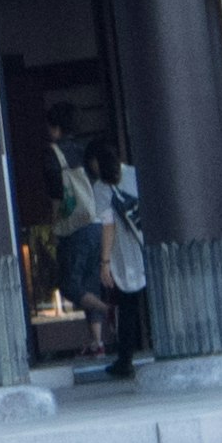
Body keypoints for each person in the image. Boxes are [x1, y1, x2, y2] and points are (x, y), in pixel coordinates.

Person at [85, 133, 148, 381]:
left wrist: (105, 263)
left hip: (126, 255)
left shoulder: (102, 187)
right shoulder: (135, 174)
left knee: (128, 308)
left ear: (96, 162)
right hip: (148, 247)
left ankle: (125, 360)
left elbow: (108, 226)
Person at [47, 113, 106, 342]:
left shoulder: (53, 154)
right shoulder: (85, 151)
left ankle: (106, 309)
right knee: (91, 282)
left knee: (69, 285)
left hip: (73, 227)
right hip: (96, 222)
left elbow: (55, 195)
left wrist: (54, 226)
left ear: (56, 128)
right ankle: (97, 342)